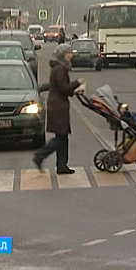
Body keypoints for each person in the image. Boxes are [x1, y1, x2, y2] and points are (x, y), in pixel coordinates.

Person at [33, 44, 84, 175]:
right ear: (63, 55)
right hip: (58, 107)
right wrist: (76, 83)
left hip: (57, 104)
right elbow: (63, 88)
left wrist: (75, 90)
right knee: (61, 137)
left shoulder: (58, 68)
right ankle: (40, 155)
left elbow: (60, 88)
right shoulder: (60, 69)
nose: (71, 55)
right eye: (69, 53)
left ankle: (62, 165)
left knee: (62, 136)